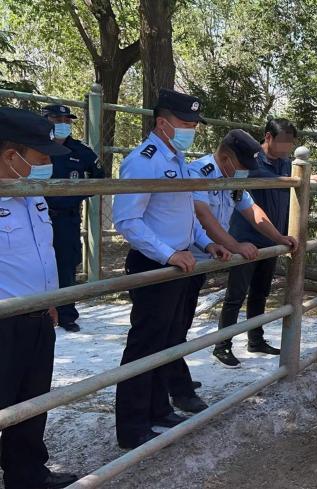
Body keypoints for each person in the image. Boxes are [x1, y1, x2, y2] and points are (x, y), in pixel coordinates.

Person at [112, 88, 230, 449]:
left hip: (179, 262)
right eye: (185, 122)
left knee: (167, 341)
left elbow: (183, 216)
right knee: (145, 344)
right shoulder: (142, 161)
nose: (191, 128)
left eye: (194, 123)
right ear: (162, 123)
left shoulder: (178, 159)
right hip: (155, 264)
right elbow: (127, 220)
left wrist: (205, 243)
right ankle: (132, 425)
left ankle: (158, 408)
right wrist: (167, 254)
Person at [168, 129, 298, 412]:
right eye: (242, 166)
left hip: (198, 262)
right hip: (178, 259)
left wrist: (279, 237)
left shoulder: (232, 178)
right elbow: (203, 215)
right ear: (226, 158)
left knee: (179, 325)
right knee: (170, 326)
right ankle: (175, 386)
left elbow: (253, 211)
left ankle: (173, 380)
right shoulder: (200, 173)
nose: (245, 172)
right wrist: (235, 244)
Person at [0, 107, 78, 489]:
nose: (49, 164)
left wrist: (51, 300)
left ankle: (27, 474)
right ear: (10, 156)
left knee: (32, 403)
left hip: (39, 317)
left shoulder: (32, 194)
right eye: (41, 157)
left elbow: (42, 252)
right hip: (4, 321)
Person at [213, 118, 303, 365]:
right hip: (246, 237)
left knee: (260, 292)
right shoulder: (251, 160)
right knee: (236, 293)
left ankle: (256, 339)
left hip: (273, 237)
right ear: (268, 137)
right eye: (283, 141)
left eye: (291, 142)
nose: (287, 147)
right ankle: (222, 345)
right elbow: (248, 183)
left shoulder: (285, 163)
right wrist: (294, 180)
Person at [42, 104, 105, 333]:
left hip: (66, 219)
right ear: (45, 120)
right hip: (35, 217)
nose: (63, 124)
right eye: (56, 119)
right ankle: (34, 311)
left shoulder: (79, 151)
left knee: (66, 266)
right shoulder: (33, 147)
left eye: (67, 120)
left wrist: (76, 194)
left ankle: (67, 314)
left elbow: (99, 177)